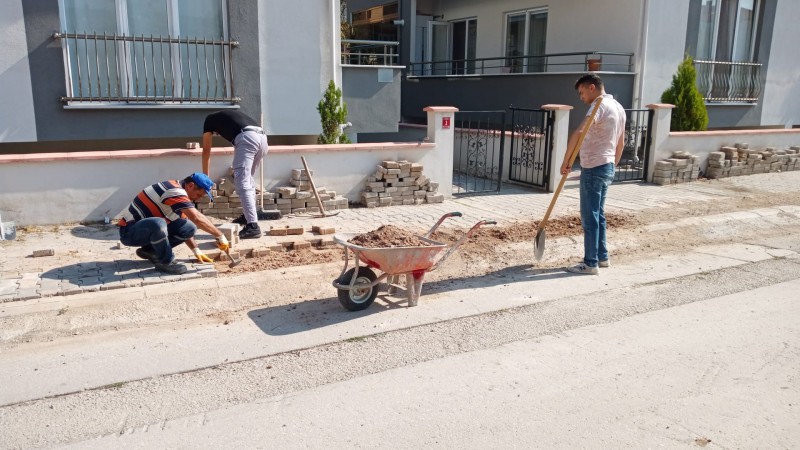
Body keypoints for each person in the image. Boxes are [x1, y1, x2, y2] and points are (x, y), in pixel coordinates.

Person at [560, 74, 626, 275]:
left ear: (592, 87)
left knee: (590, 218)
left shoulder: (599, 105)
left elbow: (579, 133)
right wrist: (612, 165)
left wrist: (566, 161)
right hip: (607, 166)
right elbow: (620, 142)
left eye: (581, 92)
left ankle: (590, 263)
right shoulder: (618, 107)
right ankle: (602, 257)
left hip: (594, 167)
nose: (581, 98)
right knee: (599, 215)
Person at [118, 173, 230, 275]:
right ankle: (166, 262)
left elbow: (184, 225)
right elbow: (196, 217)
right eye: (199, 195)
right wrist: (219, 235)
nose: (198, 199)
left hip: (146, 230)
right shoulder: (174, 191)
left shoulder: (180, 197)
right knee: (158, 223)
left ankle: (150, 251)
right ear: (190, 186)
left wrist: (196, 250)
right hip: (129, 232)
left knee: (189, 228)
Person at [202, 110, 268, 239]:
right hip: (263, 139)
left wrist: (205, 178)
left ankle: (253, 226)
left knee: (242, 183)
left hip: (247, 138)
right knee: (248, 181)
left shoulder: (208, 120)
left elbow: (206, 151)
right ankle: (248, 217)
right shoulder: (230, 116)